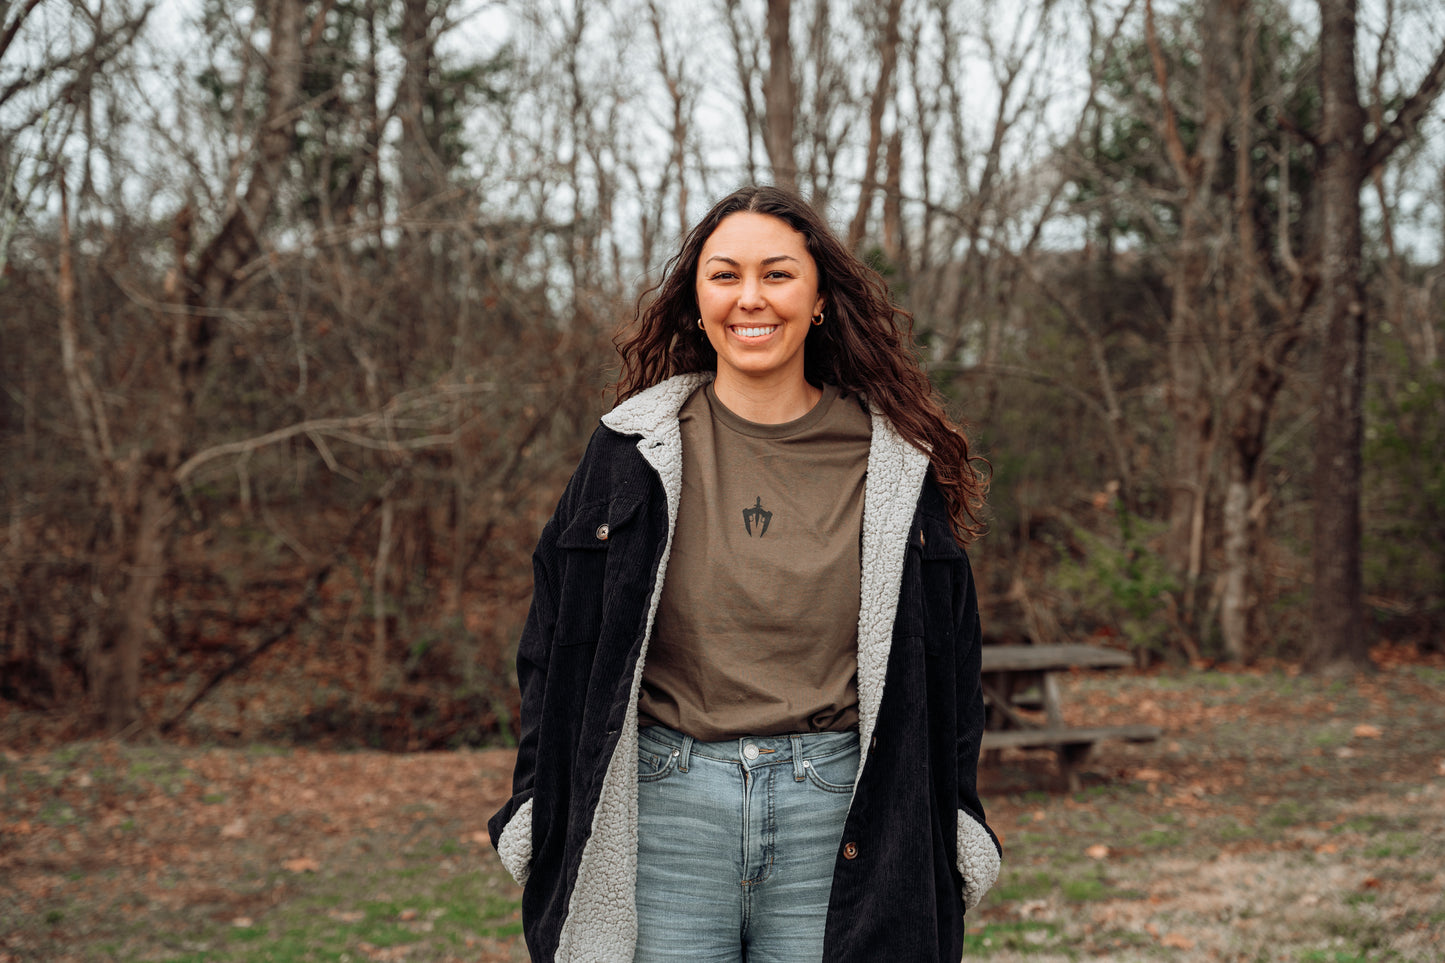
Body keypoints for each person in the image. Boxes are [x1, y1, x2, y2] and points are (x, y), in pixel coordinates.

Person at [487, 185, 1000, 963]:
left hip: (838, 813)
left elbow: (952, 659)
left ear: (820, 297)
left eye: (777, 274)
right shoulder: (629, 451)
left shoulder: (895, 461)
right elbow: (553, 641)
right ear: (696, 300)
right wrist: (535, 798)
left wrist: (956, 812)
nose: (749, 297)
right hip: (664, 810)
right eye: (724, 275)